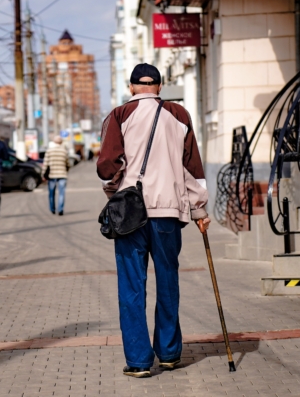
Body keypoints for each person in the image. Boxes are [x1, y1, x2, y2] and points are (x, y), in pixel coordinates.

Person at [97, 63, 210, 378]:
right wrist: (199, 210)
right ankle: (170, 354)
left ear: (131, 87)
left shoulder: (119, 115)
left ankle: (138, 361)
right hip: (168, 215)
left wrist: (115, 190)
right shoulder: (179, 115)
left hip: (130, 215)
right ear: (159, 86)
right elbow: (191, 168)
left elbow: (108, 165)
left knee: (132, 287)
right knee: (168, 282)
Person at [42, 135, 69, 215]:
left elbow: (45, 164)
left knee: (51, 193)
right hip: (62, 174)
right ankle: (60, 209)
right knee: (61, 193)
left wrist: (43, 174)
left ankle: (52, 209)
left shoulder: (49, 151)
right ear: (61, 142)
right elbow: (68, 164)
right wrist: (66, 170)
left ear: (54, 142)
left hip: (52, 175)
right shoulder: (64, 151)